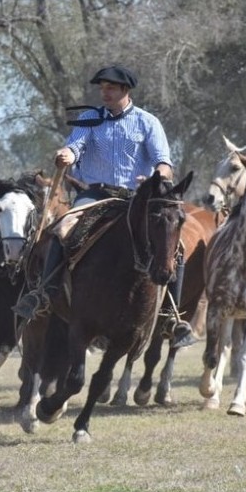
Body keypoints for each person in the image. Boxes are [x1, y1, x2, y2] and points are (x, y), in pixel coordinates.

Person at [12, 65, 192, 343]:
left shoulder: (148, 122)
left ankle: (172, 316)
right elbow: (74, 147)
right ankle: (43, 294)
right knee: (62, 229)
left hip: (136, 199)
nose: (104, 93)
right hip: (94, 194)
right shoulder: (89, 119)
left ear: (125, 90)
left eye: (110, 88)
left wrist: (157, 177)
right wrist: (65, 155)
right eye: (102, 88)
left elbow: (164, 163)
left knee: (174, 245)